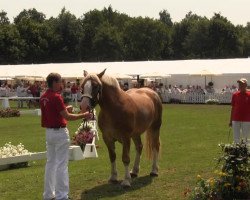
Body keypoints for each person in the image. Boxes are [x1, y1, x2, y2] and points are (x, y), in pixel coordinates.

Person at [40, 73, 93, 200]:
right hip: (59, 133)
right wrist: (84, 115)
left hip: (49, 133)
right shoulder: (56, 97)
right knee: (61, 165)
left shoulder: (43, 97)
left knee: (51, 163)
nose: (61, 84)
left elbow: (54, 112)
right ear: (54, 82)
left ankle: (48, 194)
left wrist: (65, 108)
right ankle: (62, 196)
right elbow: (67, 117)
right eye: (59, 82)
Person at [229, 78, 250, 145]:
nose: (240, 85)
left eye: (242, 84)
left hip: (246, 120)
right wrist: (230, 120)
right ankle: (236, 152)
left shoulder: (249, 94)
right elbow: (233, 108)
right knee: (236, 137)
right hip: (235, 119)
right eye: (239, 84)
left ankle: (245, 152)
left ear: (246, 85)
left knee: (246, 138)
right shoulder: (235, 95)